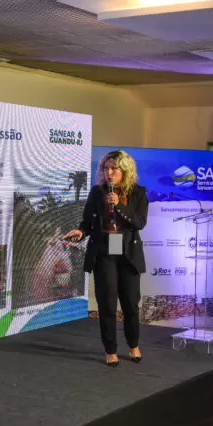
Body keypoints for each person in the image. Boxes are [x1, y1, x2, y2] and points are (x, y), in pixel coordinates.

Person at [64, 150, 148, 367]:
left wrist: (118, 204)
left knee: (130, 304)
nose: (109, 173)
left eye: (114, 169)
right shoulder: (97, 192)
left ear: (125, 170)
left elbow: (139, 222)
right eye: (106, 168)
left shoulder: (138, 193)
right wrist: (80, 232)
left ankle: (133, 345)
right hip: (104, 253)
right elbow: (87, 223)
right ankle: (110, 350)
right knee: (107, 304)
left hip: (128, 255)